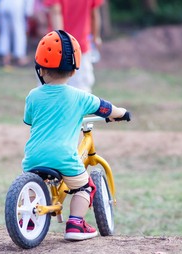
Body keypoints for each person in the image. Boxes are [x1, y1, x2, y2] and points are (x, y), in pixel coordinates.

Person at [22, 30, 127, 240]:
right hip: (63, 157)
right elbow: (106, 108)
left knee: (32, 186)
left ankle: (30, 220)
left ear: (40, 70)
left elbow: (29, 120)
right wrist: (122, 113)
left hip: (33, 156)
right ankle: (76, 225)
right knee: (84, 186)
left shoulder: (33, 95)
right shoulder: (80, 96)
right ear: (73, 72)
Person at [44, 0, 104, 92]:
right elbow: (94, 14)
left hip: (56, 48)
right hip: (81, 47)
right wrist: (96, 37)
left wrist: (61, 42)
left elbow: (56, 13)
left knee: (52, 90)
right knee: (81, 91)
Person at [0, 0, 34, 67]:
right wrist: (29, 11)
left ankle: (5, 57)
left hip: (2, 3)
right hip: (16, 4)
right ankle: (20, 57)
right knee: (19, 30)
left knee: (4, 31)